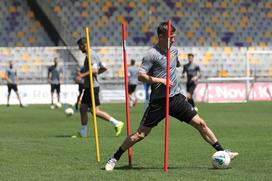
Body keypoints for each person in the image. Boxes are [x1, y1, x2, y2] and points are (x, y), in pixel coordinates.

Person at [105, 22, 238, 171]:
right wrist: (160, 80)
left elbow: (176, 64)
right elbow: (141, 76)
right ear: (161, 36)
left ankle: (222, 151)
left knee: (200, 123)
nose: (173, 40)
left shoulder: (174, 50)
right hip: (158, 102)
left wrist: (177, 74)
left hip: (176, 98)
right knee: (140, 135)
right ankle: (114, 157)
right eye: (170, 37)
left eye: (174, 37)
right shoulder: (151, 54)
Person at [75, 37, 124, 137]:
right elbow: (104, 68)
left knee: (95, 111)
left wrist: (82, 75)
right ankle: (83, 132)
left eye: (79, 46)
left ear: (83, 45)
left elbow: (95, 70)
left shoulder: (91, 55)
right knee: (83, 108)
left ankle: (117, 123)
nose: (79, 49)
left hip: (93, 87)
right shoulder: (91, 54)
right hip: (89, 87)